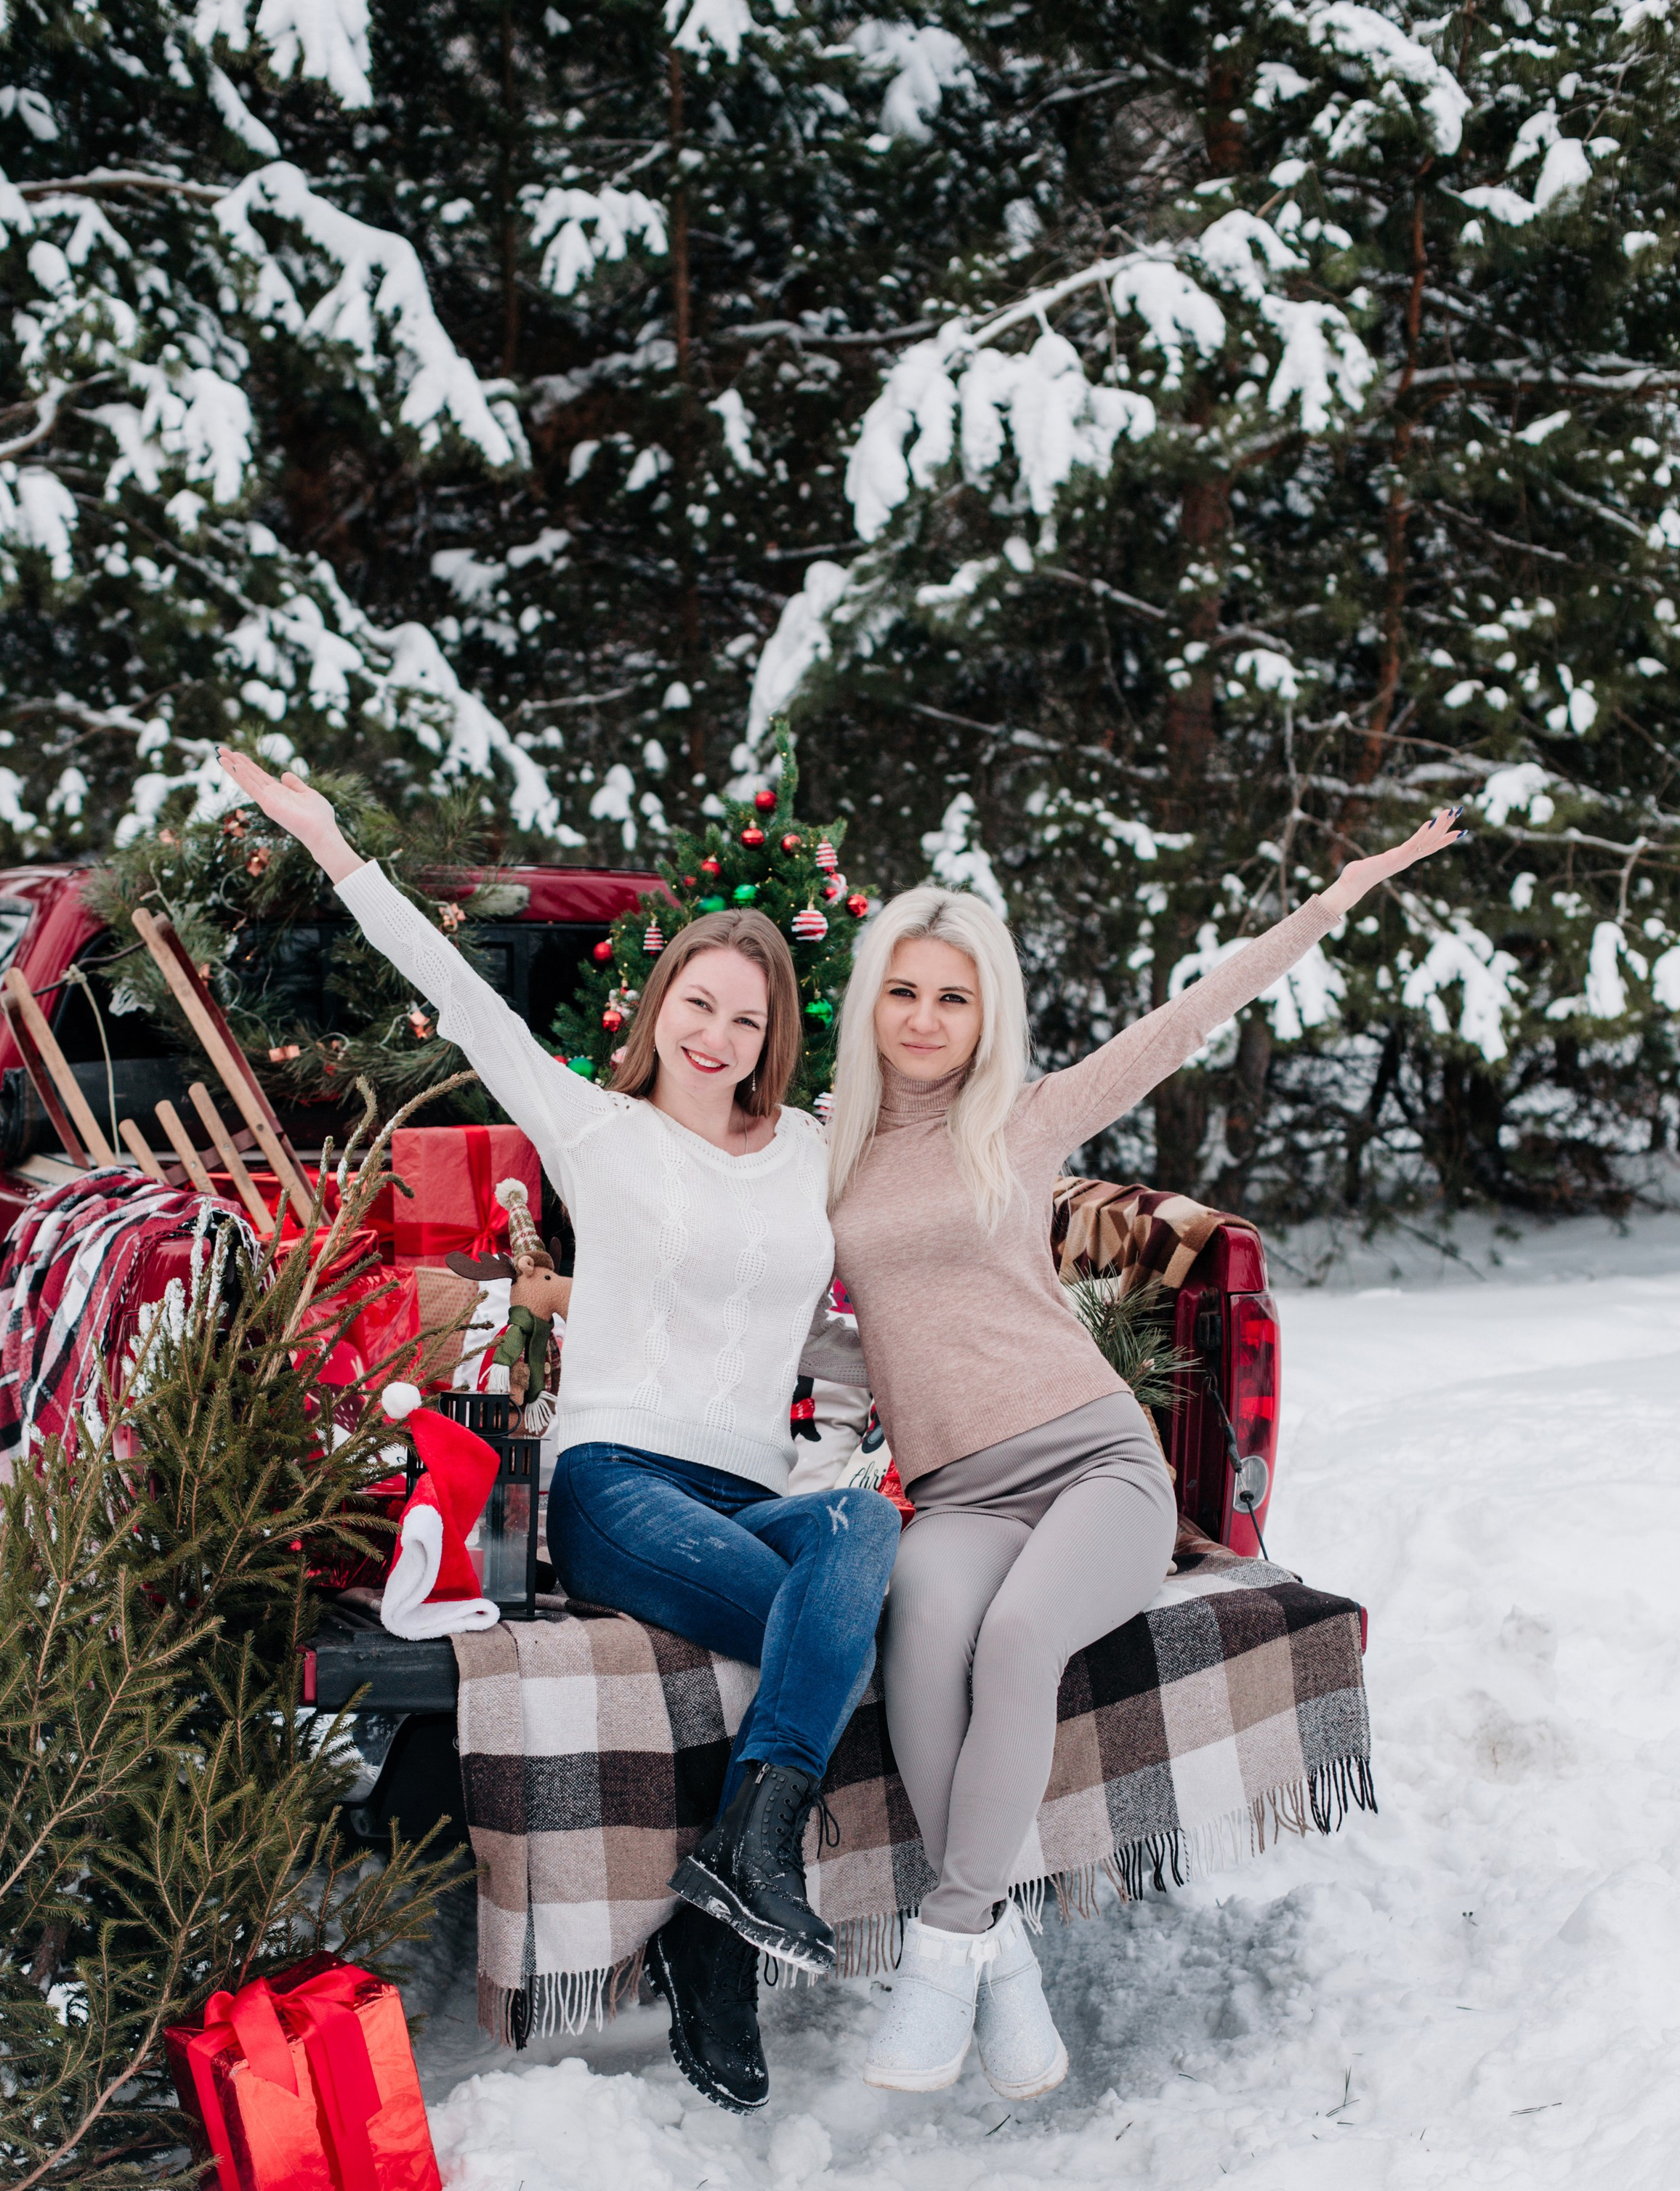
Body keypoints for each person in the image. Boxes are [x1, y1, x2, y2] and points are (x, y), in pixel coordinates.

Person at [217, 750, 900, 2117]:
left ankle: (723, 1890)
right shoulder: (597, 1129)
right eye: (697, 1005)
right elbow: (455, 989)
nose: (716, 1037)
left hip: (753, 1483)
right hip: (613, 1480)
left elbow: (857, 1285)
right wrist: (332, 844)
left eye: (747, 1017)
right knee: (824, 1631)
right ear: (658, 1007)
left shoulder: (816, 1154)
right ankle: (727, 1922)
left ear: (778, 1036)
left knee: (859, 1528)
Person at [828, 810, 1467, 2099]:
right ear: (869, 1000)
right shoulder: (829, 1148)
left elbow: (1186, 1021)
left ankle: (943, 1944)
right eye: (903, 990)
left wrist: (1336, 897)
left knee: (1018, 1641)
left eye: (953, 997)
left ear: (987, 1015)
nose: (924, 1018)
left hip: (1094, 1465)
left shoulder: (1019, 1122)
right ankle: (1002, 1958)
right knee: (922, 1637)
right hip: (958, 1491)